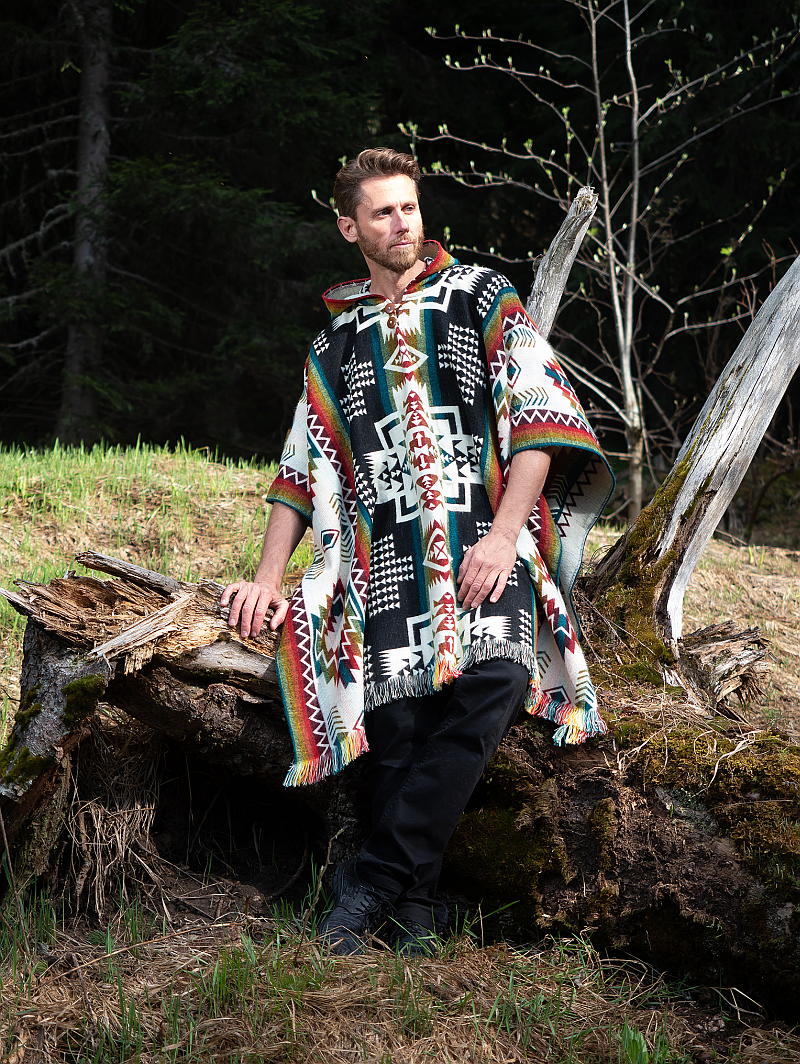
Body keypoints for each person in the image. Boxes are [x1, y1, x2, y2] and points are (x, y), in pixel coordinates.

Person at [222, 148, 613, 956]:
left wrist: (503, 537)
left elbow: (540, 417)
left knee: (497, 678)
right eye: (383, 213)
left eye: (409, 207)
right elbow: (300, 471)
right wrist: (266, 578)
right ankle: (418, 913)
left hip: (485, 542)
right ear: (350, 228)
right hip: (390, 562)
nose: (402, 224)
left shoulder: (480, 296)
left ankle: (369, 881)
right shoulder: (334, 345)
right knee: (399, 725)